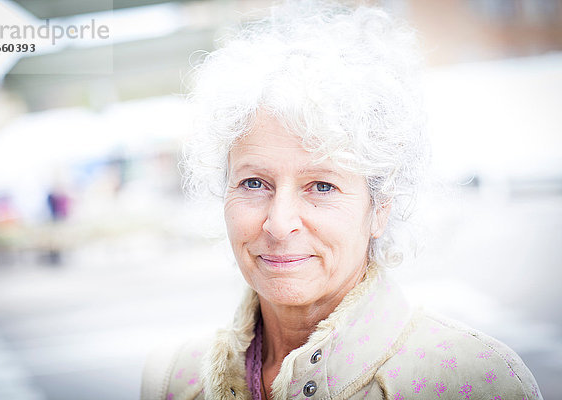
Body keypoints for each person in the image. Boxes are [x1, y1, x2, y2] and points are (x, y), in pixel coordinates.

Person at [141, 2, 542, 399]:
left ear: (381, 206)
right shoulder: (173, 379)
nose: (279, 224)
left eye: (321, 186)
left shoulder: (475, 381)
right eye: (253, 183)